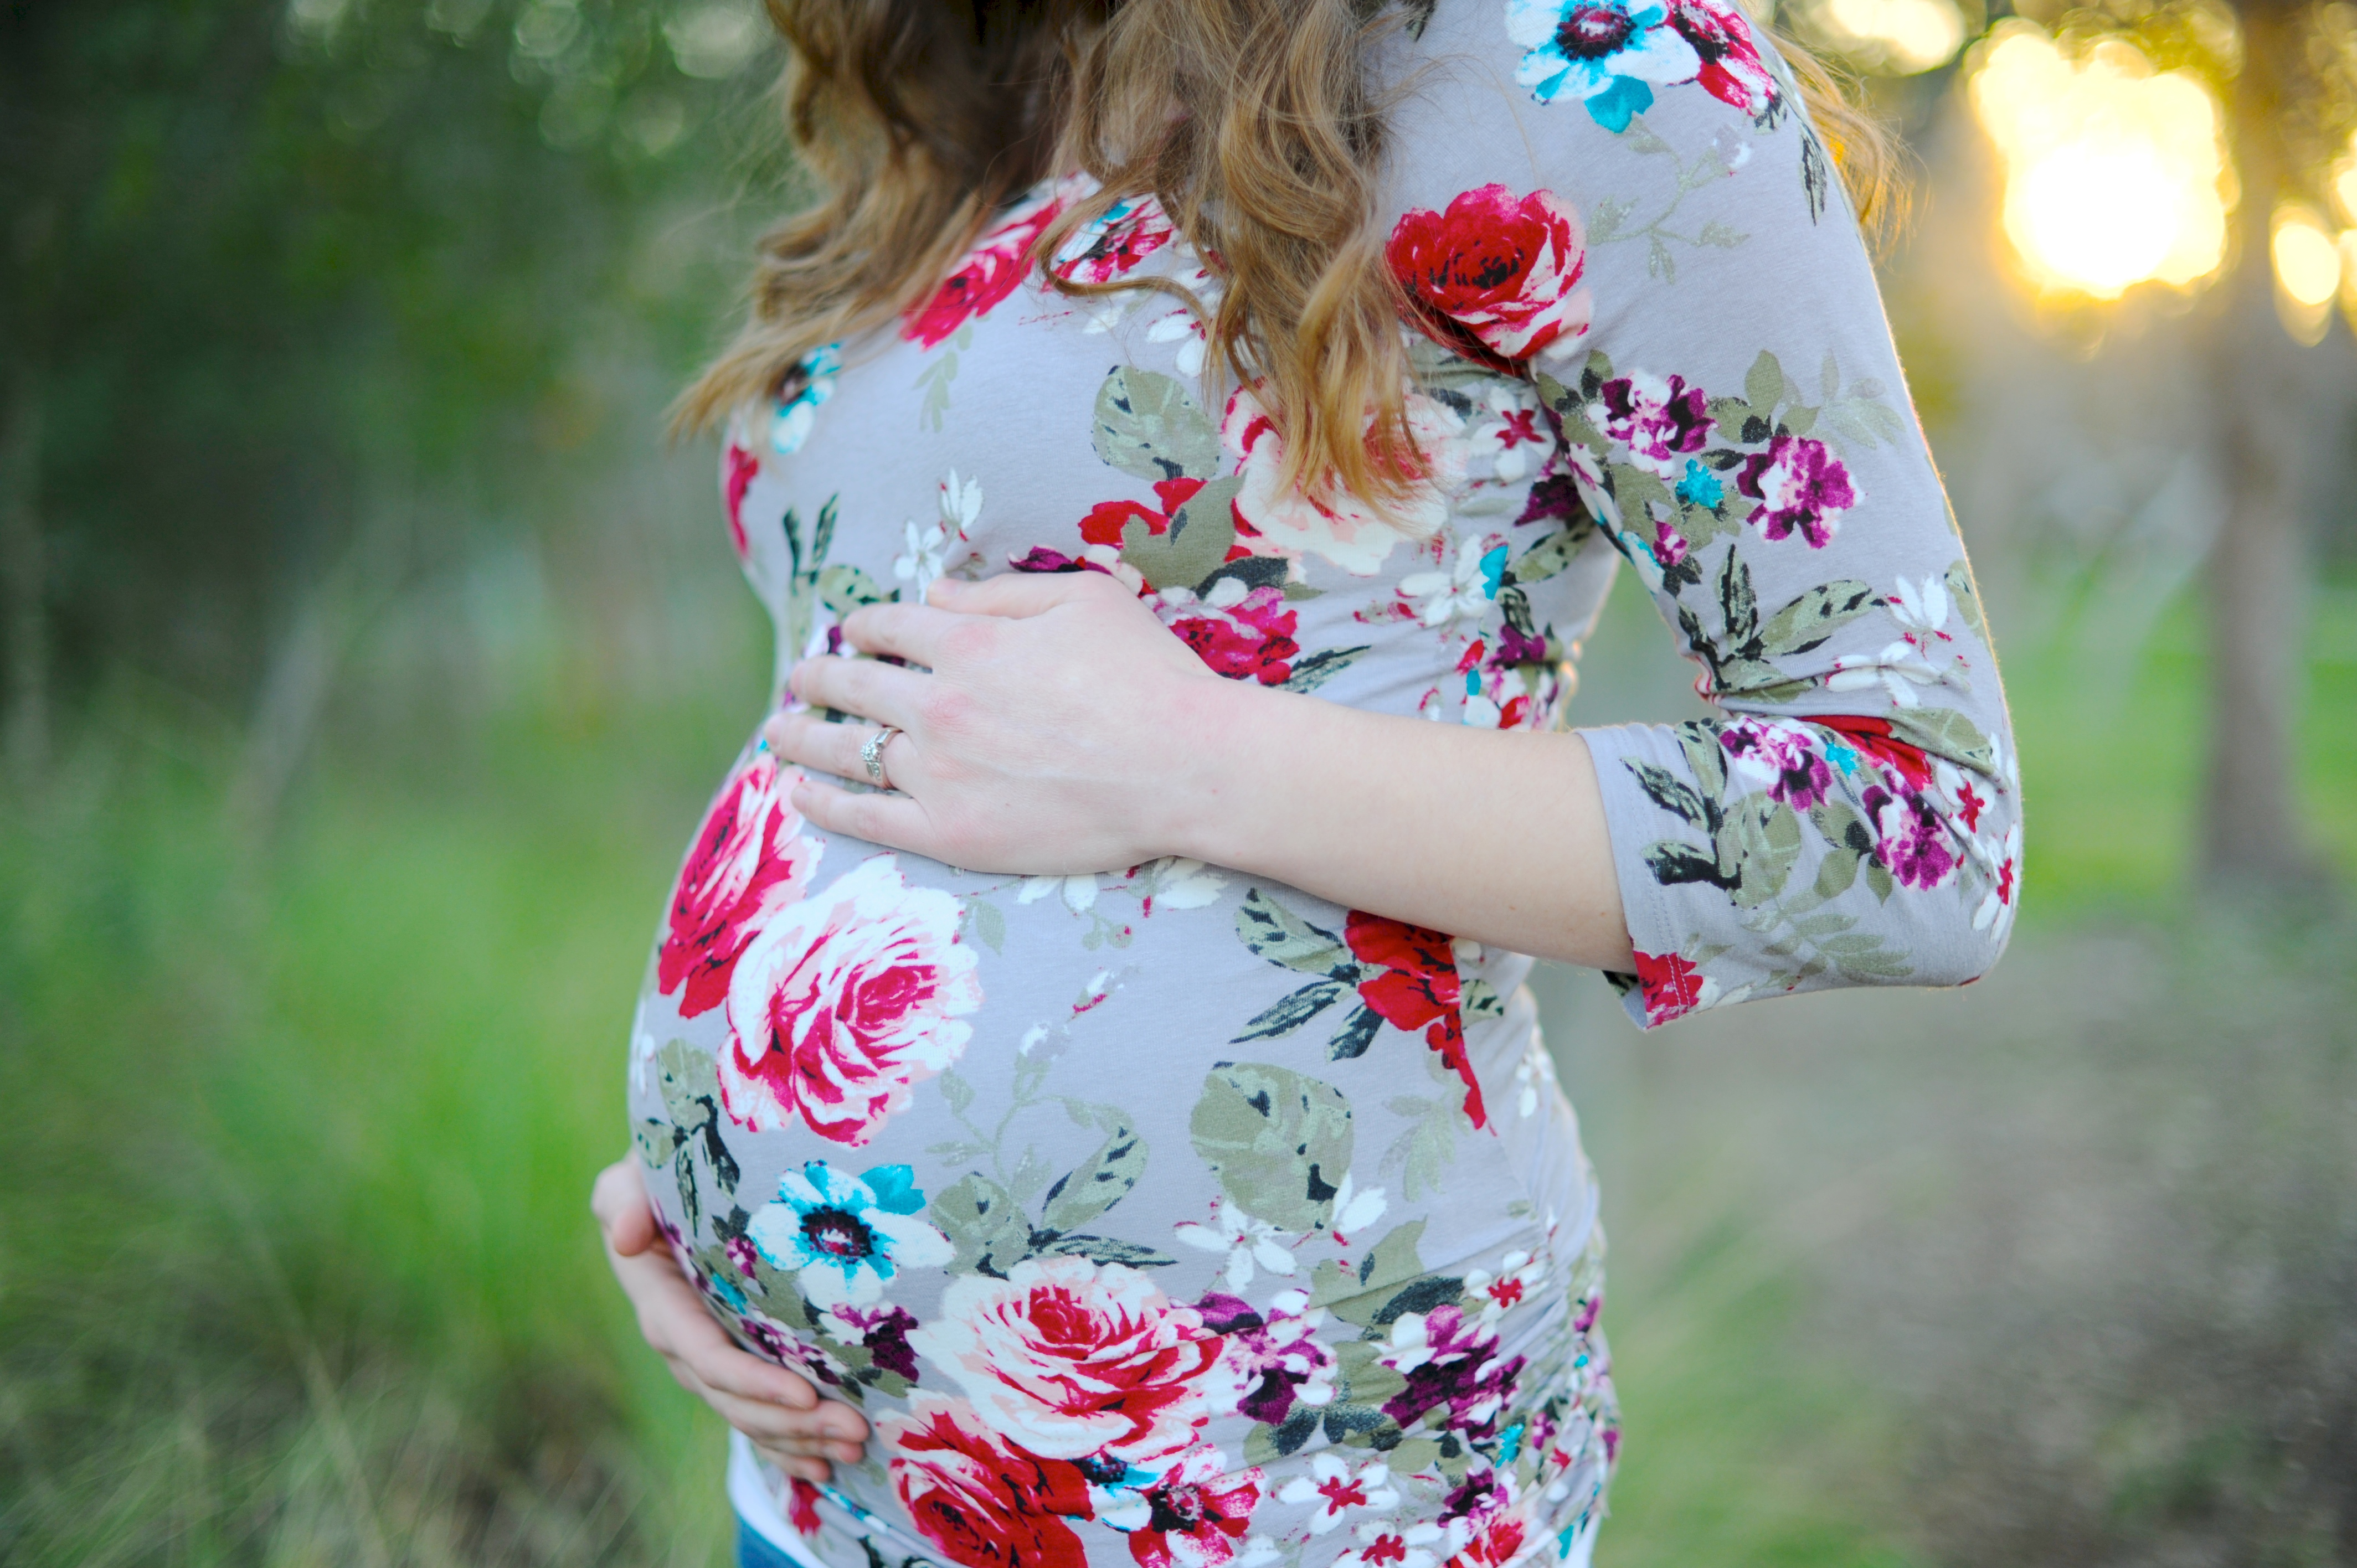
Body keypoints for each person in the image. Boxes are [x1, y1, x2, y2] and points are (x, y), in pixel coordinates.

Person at [591, 3, 2020, 1566]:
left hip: (1292, 1500)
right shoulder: (972, 96)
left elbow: (1920, 825)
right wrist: (706, 1177)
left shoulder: (1579, 70)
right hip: (827, 1494)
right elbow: (874, 691)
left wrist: (1197, 761)